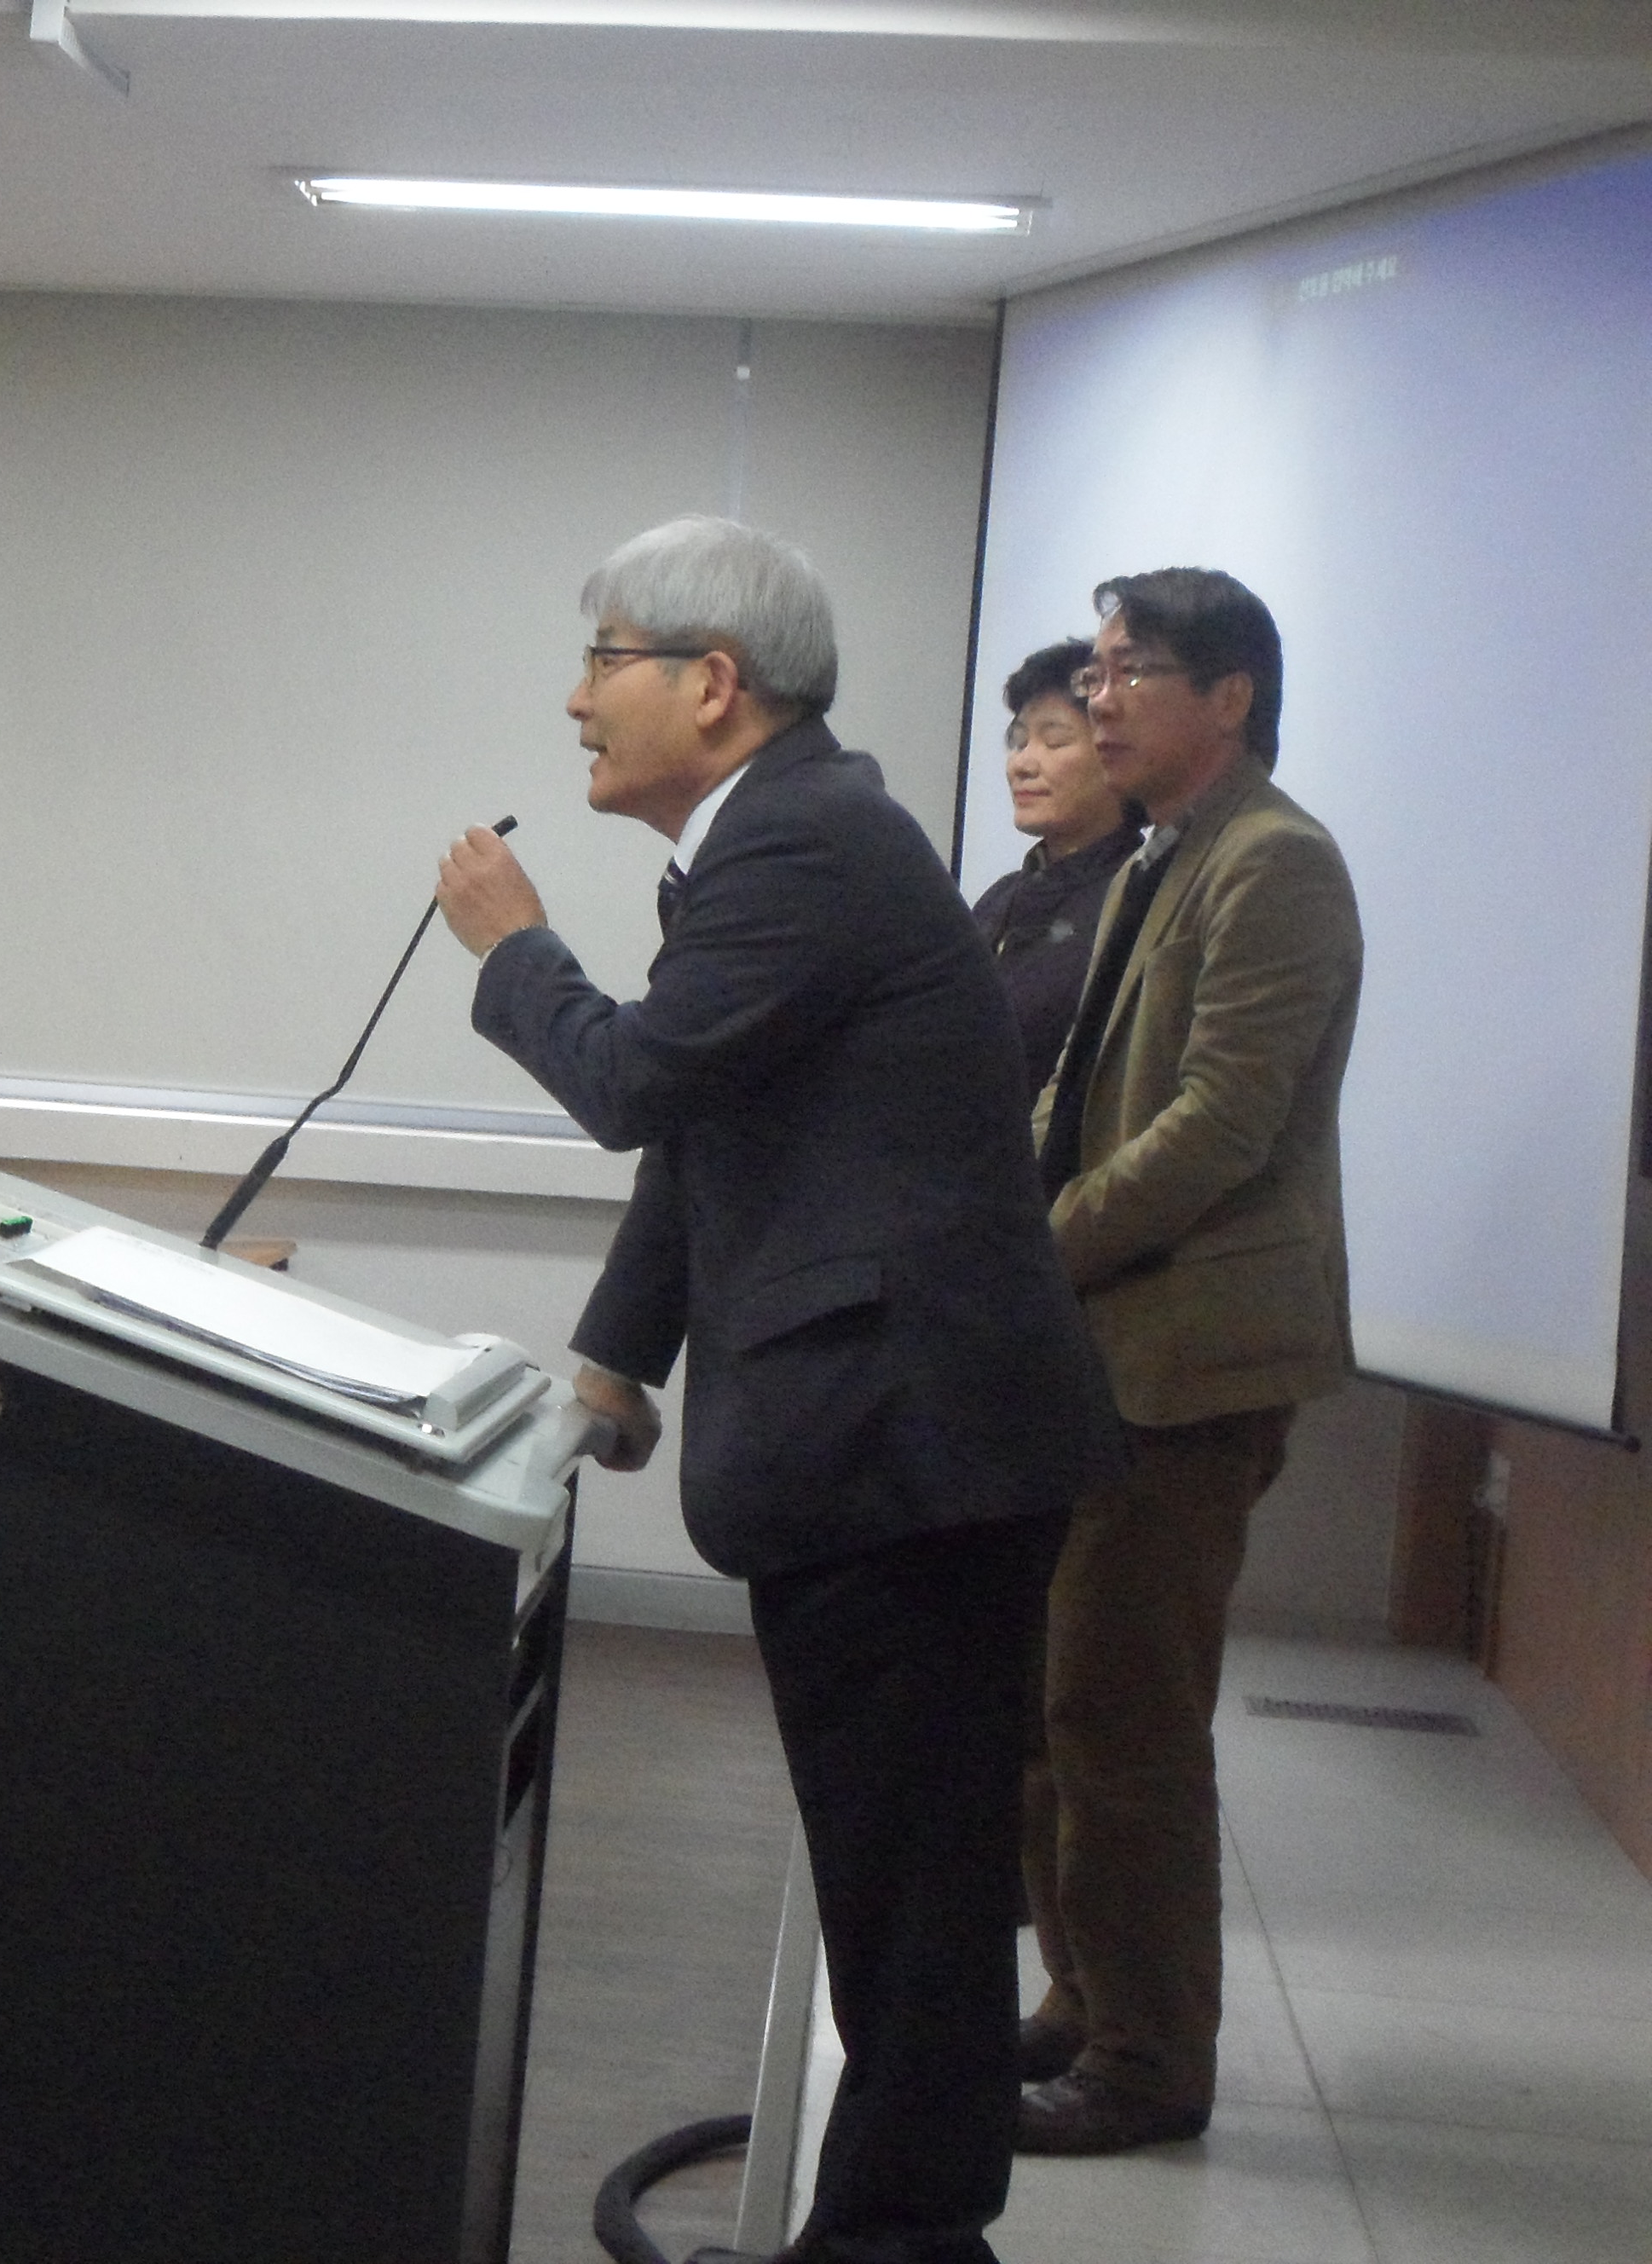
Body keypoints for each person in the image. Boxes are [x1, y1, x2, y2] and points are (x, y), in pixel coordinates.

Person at [433, 516, 1118, 2264]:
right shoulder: (785, 833)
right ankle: (895, 2223)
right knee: (900, 1881)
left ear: (711, 684)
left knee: (915, 1898)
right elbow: (716, 1125)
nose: (574, 700)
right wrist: (614, 1354)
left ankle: (899, 2238)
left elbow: (637, 1082)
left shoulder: (801, 841)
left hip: (912, 1453)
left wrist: (511, 948)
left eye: (603, 659)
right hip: (901, 1449)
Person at [1014, 570, 1360, 2155]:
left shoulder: (1274, 861)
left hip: (1191, 1361)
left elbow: (1219, 1124)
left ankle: (1148, 2064)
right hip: (1100, 1346)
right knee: (1054, 1700)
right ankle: (1080, 2000)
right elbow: (1082, 1091)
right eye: (1092, 671)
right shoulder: (1159, 853)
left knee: (1123, 1716)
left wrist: (1040, 1243)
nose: (1096, 699)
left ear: (1229, 697)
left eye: (1128, 670)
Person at [969, 638, 1143, 1100]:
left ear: (1115, 753)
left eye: (1055, 741)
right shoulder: (1000, 897)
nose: (1022, 764)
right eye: (1018, 741)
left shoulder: (1137, 899)